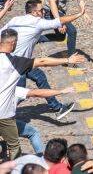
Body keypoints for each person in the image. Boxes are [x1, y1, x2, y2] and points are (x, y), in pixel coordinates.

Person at [0, 28, 85, 159]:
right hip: (3, 116)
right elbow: (42, 62)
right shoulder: (14, 62)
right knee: (15, 145)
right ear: (13, 43)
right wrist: (67, 61)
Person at [1, 0, 86, 119]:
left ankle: (57, 107)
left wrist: (4, 10)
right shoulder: (37, 22)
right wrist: (79, 14)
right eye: (42, 10)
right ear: (35, 12)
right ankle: (4, 115)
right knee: (15, 94)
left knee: (39, 77)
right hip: (15, 66)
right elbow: (60, 21)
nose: (44, 12)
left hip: (21, 61)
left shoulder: (15, 20)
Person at [16, 86, 75, 155]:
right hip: (6, 122)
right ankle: (42, 160)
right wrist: (61, 91)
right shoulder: (14, 90)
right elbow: (37, 93)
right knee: (33, 133)